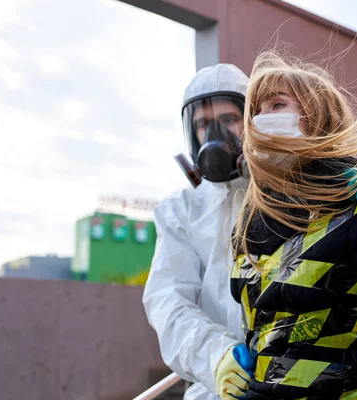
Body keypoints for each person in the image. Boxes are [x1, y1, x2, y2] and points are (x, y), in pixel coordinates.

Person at [229, 51, 357, 399]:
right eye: (256, 110)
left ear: (318, 116)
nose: (261, 119)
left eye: (277, 105)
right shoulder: (248, 227)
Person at [143, 63, 254, 400]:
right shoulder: (181, 211)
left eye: (229, 120)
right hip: (215, 389)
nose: (216, 134)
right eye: (205, 124)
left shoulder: (283, 193)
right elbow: (168, 302)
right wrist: (214, 355)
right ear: (192, 135)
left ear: (250, 123)